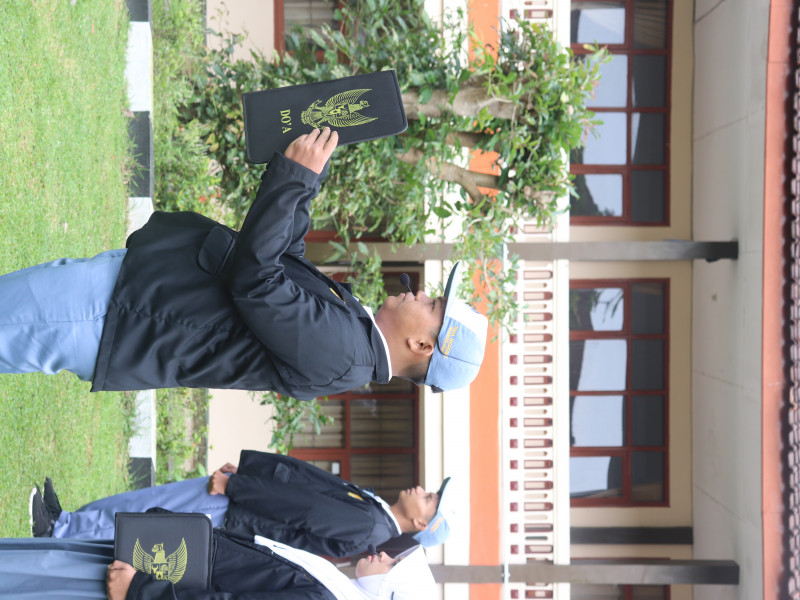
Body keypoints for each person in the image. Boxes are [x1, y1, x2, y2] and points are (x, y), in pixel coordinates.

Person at [0, 127, 488, 399]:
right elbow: (287, 258)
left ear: (423, 344)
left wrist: (295, 179)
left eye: (432, 304)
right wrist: (306, 178)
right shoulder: (356, 334)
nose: (420, 293)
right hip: (134, 296)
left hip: (122, 317)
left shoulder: (345, 355)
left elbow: (258, 282)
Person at [31, 452, 455, 557]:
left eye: (430, 498)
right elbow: (303, 487)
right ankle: (68, 520)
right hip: (240, 500)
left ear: (421, 523)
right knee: (147, 502)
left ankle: (59, 531)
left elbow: (299, 509)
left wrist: (239, 487)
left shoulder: (369, 525)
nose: (422, 488)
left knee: (147, 516)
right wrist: (248, 474)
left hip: (235, 510)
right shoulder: (374, 515)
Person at [0, 531, 435, 599]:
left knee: (36, 579)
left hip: (144, 584)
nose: (383, 554)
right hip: (158, 564)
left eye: (392, 564)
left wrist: (140, 591)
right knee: (42, 560)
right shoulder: (333, 585)